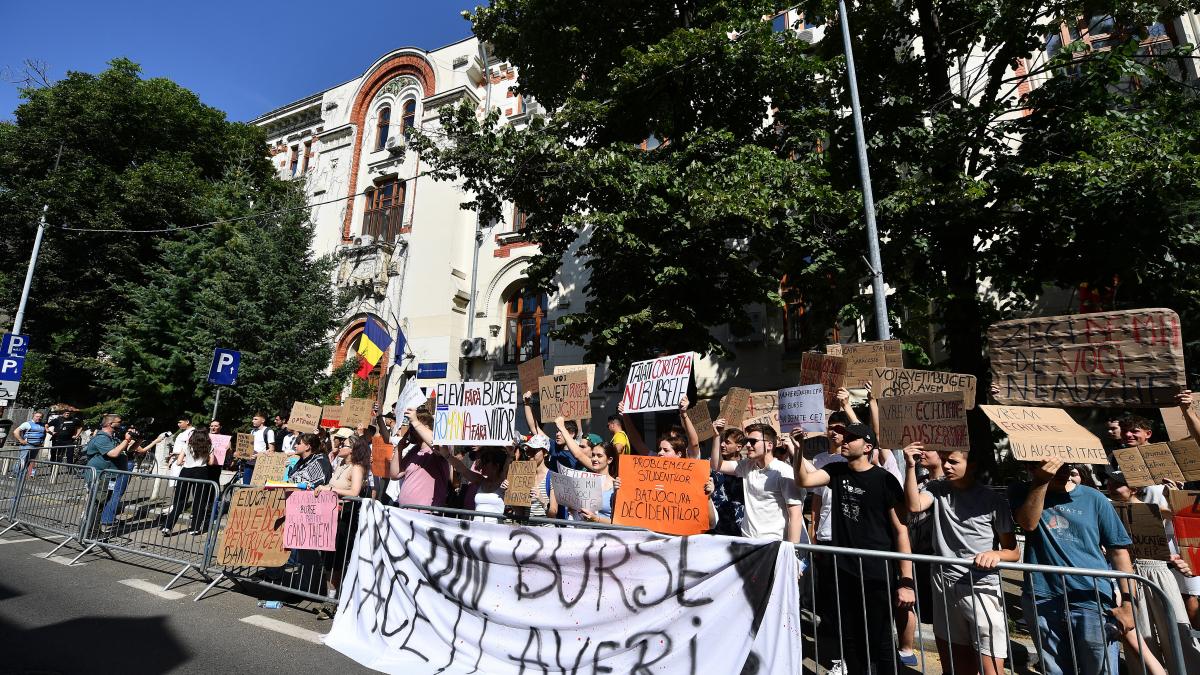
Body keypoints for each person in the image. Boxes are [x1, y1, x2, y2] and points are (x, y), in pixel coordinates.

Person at [795, 421, 914, 675]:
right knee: (849, 637)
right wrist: (798, 450)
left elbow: (901, 530)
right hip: (843, 569)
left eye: (852, 438)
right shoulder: (836, 470)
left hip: (876, 572)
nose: (844, 441)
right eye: (844, 436)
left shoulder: (885, 479)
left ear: (868, 446)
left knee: (880, 639)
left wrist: (906, 581)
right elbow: (804, 479)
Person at [1010, 458, 1135, 675]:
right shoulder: (1022, 491)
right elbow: (1028, 523)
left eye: (1066, 466)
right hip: (1043, 597)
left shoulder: (1093, 498)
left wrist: (1128, 604)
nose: (1062, 472)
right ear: (1031, 468)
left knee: (1100, 669)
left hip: (1091, 598)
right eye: (1053, 467)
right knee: (1055, 669)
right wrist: (1041, 481)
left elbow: (1118, 552)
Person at [903, 442, 1018, 675]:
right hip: (943, 584)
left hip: (981, 588)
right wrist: (908, 466)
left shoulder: (993, 501)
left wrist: (994, 554)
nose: (946, 466)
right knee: (954, 667)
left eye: (953, 461)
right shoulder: (936, 488)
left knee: (991, 669)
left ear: (972, 465)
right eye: (944, 460)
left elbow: (1013, 551)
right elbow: (914, 505)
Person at [1105, 472, 1200, 673]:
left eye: (1119, 483)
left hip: (1157, 570)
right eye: (1110, 482)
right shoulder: (1106, 507)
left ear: (1134, 488)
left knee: (1173, 628)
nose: (1111, 487)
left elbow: (1179, 516)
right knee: (1140, 629)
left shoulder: (1154, 509)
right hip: (1127, 574)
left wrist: (1172, 494)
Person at [710, 422, 805, 544]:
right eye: (747, 441)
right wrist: (716, 436)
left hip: (773, 543)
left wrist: (792, 551)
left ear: (769, 445)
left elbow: (795, 515)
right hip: (747, 541)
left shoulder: (784, 472)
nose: (748, 445)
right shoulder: (747, 466)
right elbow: (717, 465)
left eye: (753, 441)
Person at [315, 434, 372, 616]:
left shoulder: (356, 467)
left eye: (345, 444)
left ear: (353, 449)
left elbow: (354, 491)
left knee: (338, 559)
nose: (340, 446)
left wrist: (329, 489)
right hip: (332, 514)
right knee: (328, 558)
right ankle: (328, 597)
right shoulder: (340, 465)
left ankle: (332, 601)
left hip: (345, 516)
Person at [82, 414, 140, 534]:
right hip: (99, 475)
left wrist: (138, 439)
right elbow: (113, 453)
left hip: (109, 476)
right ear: (109, 424)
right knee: (97, 504)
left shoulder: (112, 438)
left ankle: (95, 530)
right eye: (119, 422)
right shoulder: (101, 438)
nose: (121, 424)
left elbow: (127, 450)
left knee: (101, 504)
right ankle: (88, 532)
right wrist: (127, 439)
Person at [161, 428, 217, 536]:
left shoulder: (187, 446)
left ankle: (168, 526)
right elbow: (211, 462)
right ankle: (195, 528)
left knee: (180, 500)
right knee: (199, 500)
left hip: (186, 471)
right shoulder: (209, 446)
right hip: (202, 472)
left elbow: (178, 462)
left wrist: (185, 461)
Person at [390, 407, 450, 508]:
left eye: (413, 427)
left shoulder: (439, 447)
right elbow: (395, 474)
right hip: (406, 510)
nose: (410, 431)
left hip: (425, 511)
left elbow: (436, 443)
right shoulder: (414, 450)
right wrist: (398, 450)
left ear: (426, 427)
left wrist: (415, 422)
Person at [439, 446, 509, 522]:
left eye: (486, 461)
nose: (482, 465)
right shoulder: (481, 480)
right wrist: (446, 455)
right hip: (476, 530)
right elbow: (462, 469)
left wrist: (510, 454)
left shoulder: (505, 484)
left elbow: (519, 510)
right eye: (482, 461)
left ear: (496, 466)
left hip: (494, 531)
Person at [522, 390, 586, 471]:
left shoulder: (580, 452)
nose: (557, 434)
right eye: (557, 431)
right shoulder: (554, 447)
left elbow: (578, 424)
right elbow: (535, 428)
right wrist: (526, 404)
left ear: (572, 434)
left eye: (561, 431)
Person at [707, 420, 746, 536]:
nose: (722, 445)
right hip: (716, 521)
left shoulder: (747, 467)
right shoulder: (710, 463)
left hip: (738, 522)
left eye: (727, 442)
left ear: (738, 447)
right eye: (722, 441)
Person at [578, 442, 620, 524]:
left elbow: (619, 523)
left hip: (605, 534)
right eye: (593, 455)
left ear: (609, 460)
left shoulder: (616, 485)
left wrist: (595, 519)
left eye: (599, 456)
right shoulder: (584, 481)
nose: (594, 459)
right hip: (584, 533)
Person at [241, 412, 275, 485]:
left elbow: (271, 450)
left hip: (261, 464)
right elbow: (249, 447)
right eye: (253, 419)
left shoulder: (269, 431)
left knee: (257, 487)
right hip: (249, 462)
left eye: (255, 419)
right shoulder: (252, 431)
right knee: (245, 485)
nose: (253, 421)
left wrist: (257, 455)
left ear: (263, 420)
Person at [14, 410, 46, 475]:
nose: (39, 418)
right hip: (27, 445)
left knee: (31, 460)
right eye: (37, 416)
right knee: (22, 460)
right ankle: (16, 474)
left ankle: (26, 474)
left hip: (37, 445)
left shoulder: (42, 425)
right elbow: (16, 432)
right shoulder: (27, 424)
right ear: (33, 416)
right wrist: (21, 440)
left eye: (40, 417)